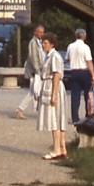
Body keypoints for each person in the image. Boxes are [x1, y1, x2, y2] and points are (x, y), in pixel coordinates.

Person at [37, 31, 69, 159]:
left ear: (52, 44)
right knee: (56, 117)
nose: (43, 45)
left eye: (45, 43)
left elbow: (56, 74)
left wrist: (54, 94)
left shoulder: (54, 57)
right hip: (49, 85)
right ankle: (61, 147)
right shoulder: (49, 56)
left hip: (53, 86)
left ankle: (56, 149)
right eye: (42, 43)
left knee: (54, 117)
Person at [14, 24, 45, 119]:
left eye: (42, 32)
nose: (41, 34)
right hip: (35, 72)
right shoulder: (33, 42)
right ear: (35, 32)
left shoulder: (40, 42)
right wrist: (38, 70)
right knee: (33, 92)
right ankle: (20, 109)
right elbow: (33, 57)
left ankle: (40, 111)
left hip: (39, 70)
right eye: (39, 32)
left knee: (37, 92)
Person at [65, 28, 94, 123]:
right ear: (84, 37)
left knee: (75, 95)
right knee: (88, 95)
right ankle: (89, 115)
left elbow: (67, 58)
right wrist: (93, 75)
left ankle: (75, 117)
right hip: (84, 71)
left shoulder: (70, 46)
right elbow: (89, 62)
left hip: (74, 71)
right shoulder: (86, 47)